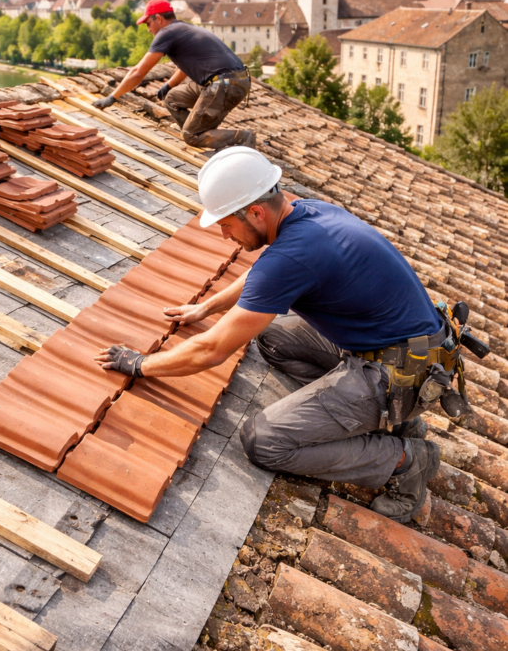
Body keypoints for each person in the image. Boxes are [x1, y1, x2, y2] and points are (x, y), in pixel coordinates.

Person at [95, 146, 456, 523]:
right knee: (274, 334)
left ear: (255, 212)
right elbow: (261, 278)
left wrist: (139, 363)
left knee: (264, 441)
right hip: (409, 352)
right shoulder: (308, 213)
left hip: (400, 375)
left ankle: (406, 461)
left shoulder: (293, 256)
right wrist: (207, 307)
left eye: (226, 224)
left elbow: (213, 349)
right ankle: (398, 421)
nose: (223, 235)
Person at [91, 0, 256, 151]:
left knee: (190, 136)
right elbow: (185, 67)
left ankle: (241, 137)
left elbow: (138, 72)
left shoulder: (166, 33)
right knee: (172, 98)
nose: (148, 30)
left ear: (159, 19)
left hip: (224, 84)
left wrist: (112, 97)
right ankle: (205, 133)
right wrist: (169, 85)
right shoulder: (184, 28)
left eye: (148, 23)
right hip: (232, 81)